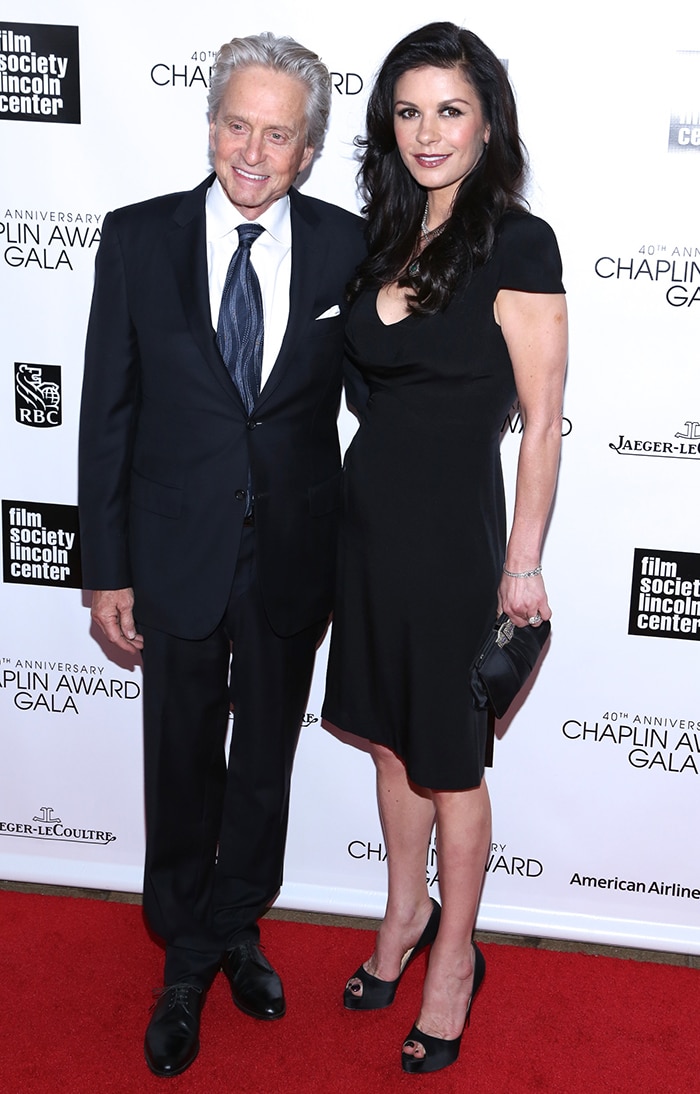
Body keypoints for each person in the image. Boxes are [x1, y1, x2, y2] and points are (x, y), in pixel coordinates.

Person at [78, 31, 364, 1078]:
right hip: (172, 548)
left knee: (262, 768)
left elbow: (379, 394)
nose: (252, 150)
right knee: (180, 759)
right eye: (237, 124)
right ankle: (186, 955)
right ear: (210, 123)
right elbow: (106, 412)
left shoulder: (347, 246)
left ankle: (230, 926)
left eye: (278, 133)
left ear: (307, 147)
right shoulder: (138, 237)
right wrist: (105, 567)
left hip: (293, 548)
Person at [323, 22, 567, 1075]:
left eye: (450, 110)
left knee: (450, 764)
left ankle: (453, 959)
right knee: (386, 739)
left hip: (457, 542)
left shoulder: (519, 241)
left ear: (486, 123)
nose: (427, 131)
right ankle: (400, 915)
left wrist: (521, 563)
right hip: (367, 525)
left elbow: (544, 419)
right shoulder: (378, 235)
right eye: (409, 109)